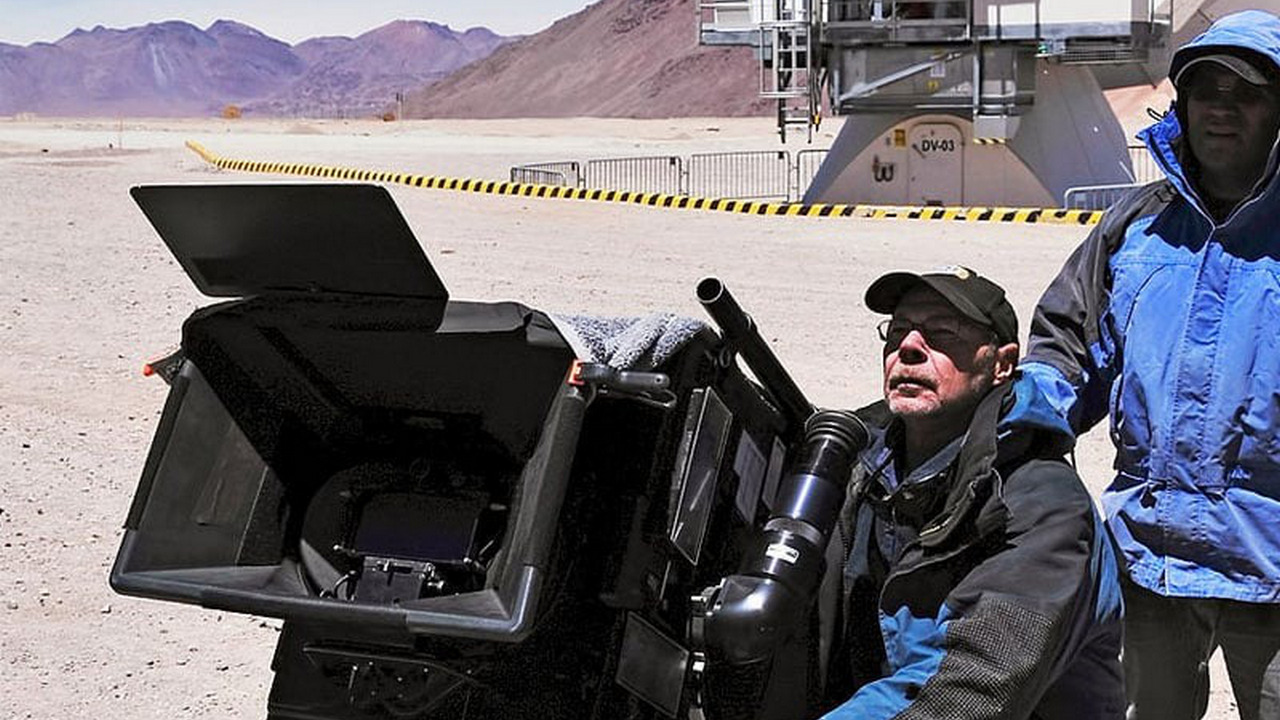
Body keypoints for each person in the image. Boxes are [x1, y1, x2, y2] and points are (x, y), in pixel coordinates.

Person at [1019, 10, 1280, 720]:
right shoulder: (1137, 227)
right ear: (1183, 104)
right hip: (1149, 557)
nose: (1222, 107)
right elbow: (1067, 345)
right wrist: (1026, 427)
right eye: (1207, 90)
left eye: (1247, 93)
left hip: (1273, 567)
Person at [818, 266, 1125, 719]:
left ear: (1001, 364)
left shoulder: (1045, 505)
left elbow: (970, 688)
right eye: (898, 331)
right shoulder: (865, 453)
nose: (908, 348)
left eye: (942, 334)